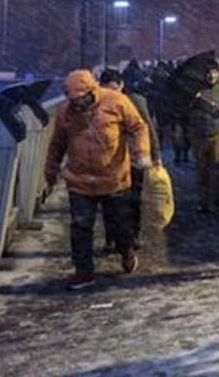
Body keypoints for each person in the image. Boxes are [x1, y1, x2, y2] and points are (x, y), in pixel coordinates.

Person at [44, 69, 152, 290]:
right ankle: (84, 272)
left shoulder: (117, 102)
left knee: (120, 224)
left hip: (114, 178)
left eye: (81, 99)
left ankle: (127, 251)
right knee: (80, 227)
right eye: (72, 100)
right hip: (80, 181)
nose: (77, 105)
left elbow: (139, 127)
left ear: (92, 91)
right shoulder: (65, 112)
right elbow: (57, 144)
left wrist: (142, 153)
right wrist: (51, 170)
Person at [99, 68, 162, 251]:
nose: (111, 93)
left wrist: (155, 155)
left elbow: (148, 128)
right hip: (108, 160)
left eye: (114, 88)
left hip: (134, 158)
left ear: (121, 85)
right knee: (109, 200)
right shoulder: (96, 103)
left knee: (133, 199)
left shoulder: (135, 101)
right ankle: (111, 238)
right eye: (107, 89)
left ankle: (133, 236)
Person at [188, 59, 219, 215]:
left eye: (213, 72)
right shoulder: (196, 87)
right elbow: (186, 107)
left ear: (218, 72)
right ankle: (202, 203)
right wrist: (193, 98)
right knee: (202, 171)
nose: (210, 75)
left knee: (217, 170)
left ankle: (218, 202)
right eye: (207, 72)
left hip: (217, 134)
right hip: (199, 134)